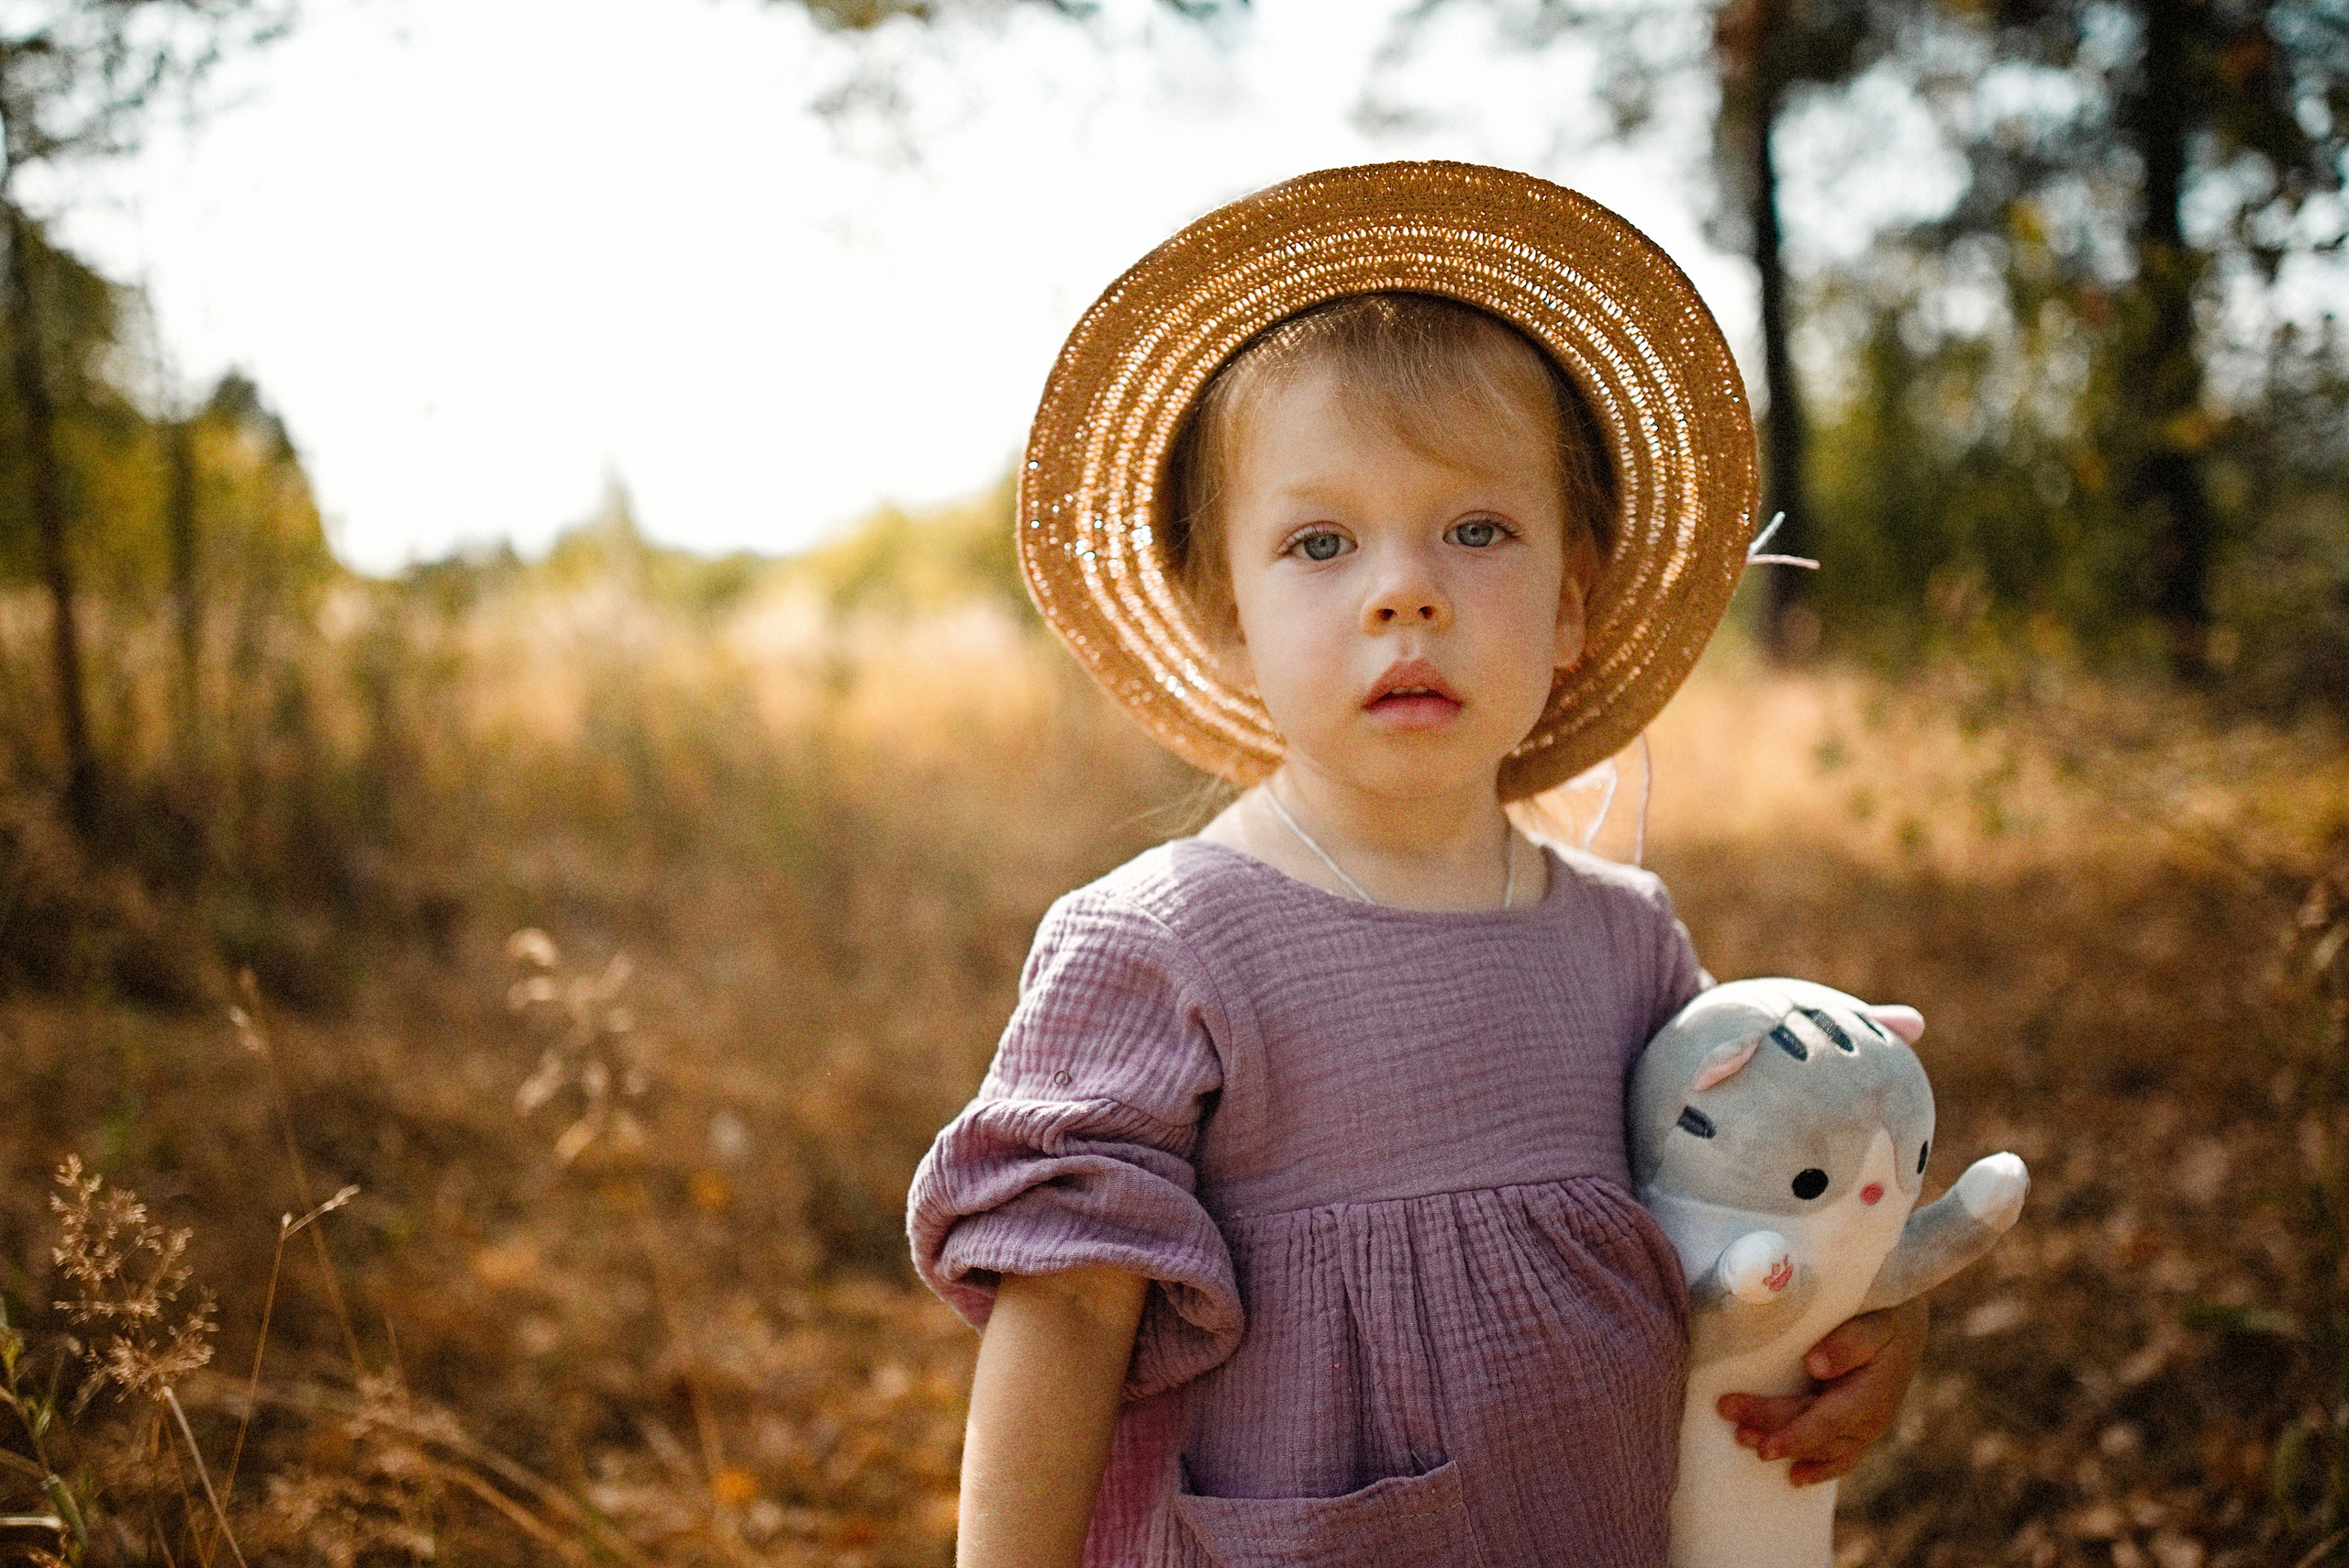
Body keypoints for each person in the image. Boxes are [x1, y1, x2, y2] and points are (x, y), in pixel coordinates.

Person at [907, 162, 1924, 1568]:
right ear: (1227, 617)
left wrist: (1862, 1325)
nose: (1406, 592)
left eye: (1477, 530)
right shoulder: (1165, 941)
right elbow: (1068, 1314)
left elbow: (1741, 1211)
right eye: (1320, 542)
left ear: (1570, 604)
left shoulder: (1628, 942)